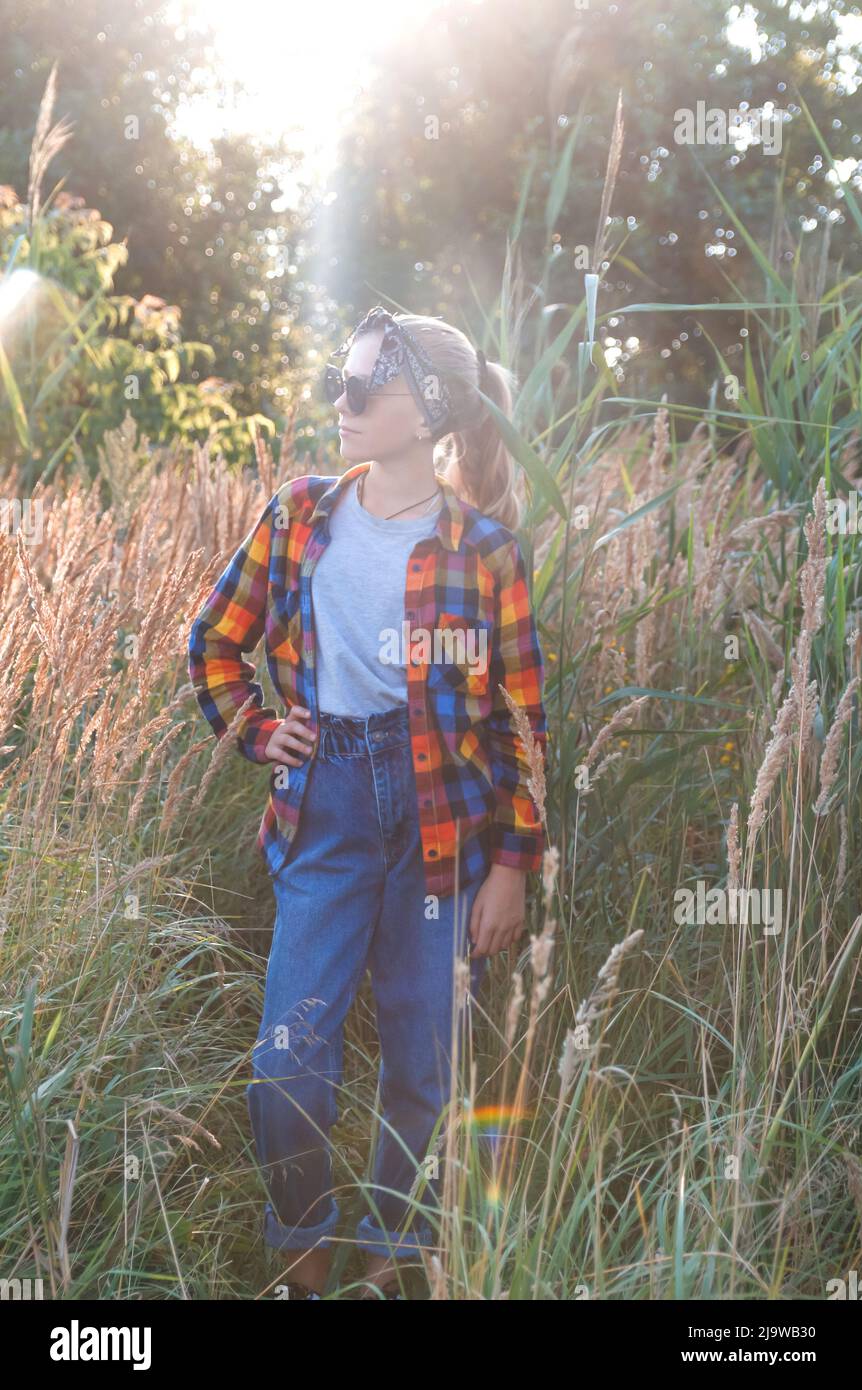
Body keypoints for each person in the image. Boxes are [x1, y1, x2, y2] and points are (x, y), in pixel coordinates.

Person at [188, 305, 547, 1299]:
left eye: (360, 390)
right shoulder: (300, 515)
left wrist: (512, 864)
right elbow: (213, 640)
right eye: (336, 383)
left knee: (422, 1066)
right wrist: (261, 730)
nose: (337, 405)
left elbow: (522, 717)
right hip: (327, 809)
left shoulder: (484, 552)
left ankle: (392, 1263)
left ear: (426, 415)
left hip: (444, 830)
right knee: (285, 1059)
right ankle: (302, 1251)